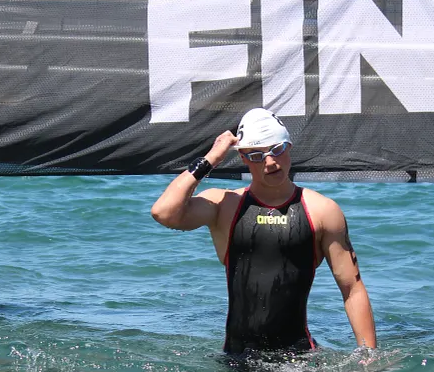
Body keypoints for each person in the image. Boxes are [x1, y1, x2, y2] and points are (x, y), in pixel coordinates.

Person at [151, 108, 377, 355]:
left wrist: (367, 358)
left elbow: (352, 288)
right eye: (257, 155)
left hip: (300, 360)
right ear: (243, 158)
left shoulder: (322, 210)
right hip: (236, 359)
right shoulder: (224, 205)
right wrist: (210, 159)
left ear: (289, 146)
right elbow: (164, 212)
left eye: (277, 149)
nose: (270, 162)